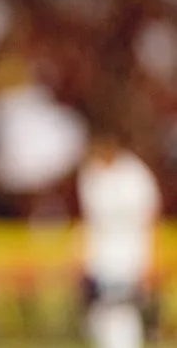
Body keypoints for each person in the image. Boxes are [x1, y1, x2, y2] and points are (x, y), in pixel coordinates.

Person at [78, 129, 160, 348]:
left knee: (124, 308)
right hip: (100, 254)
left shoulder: (134, 175)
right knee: (100, 310)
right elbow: (91, 221)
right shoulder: (91, 175)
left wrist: (148, 257)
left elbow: (149, 218)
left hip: (131, 251)